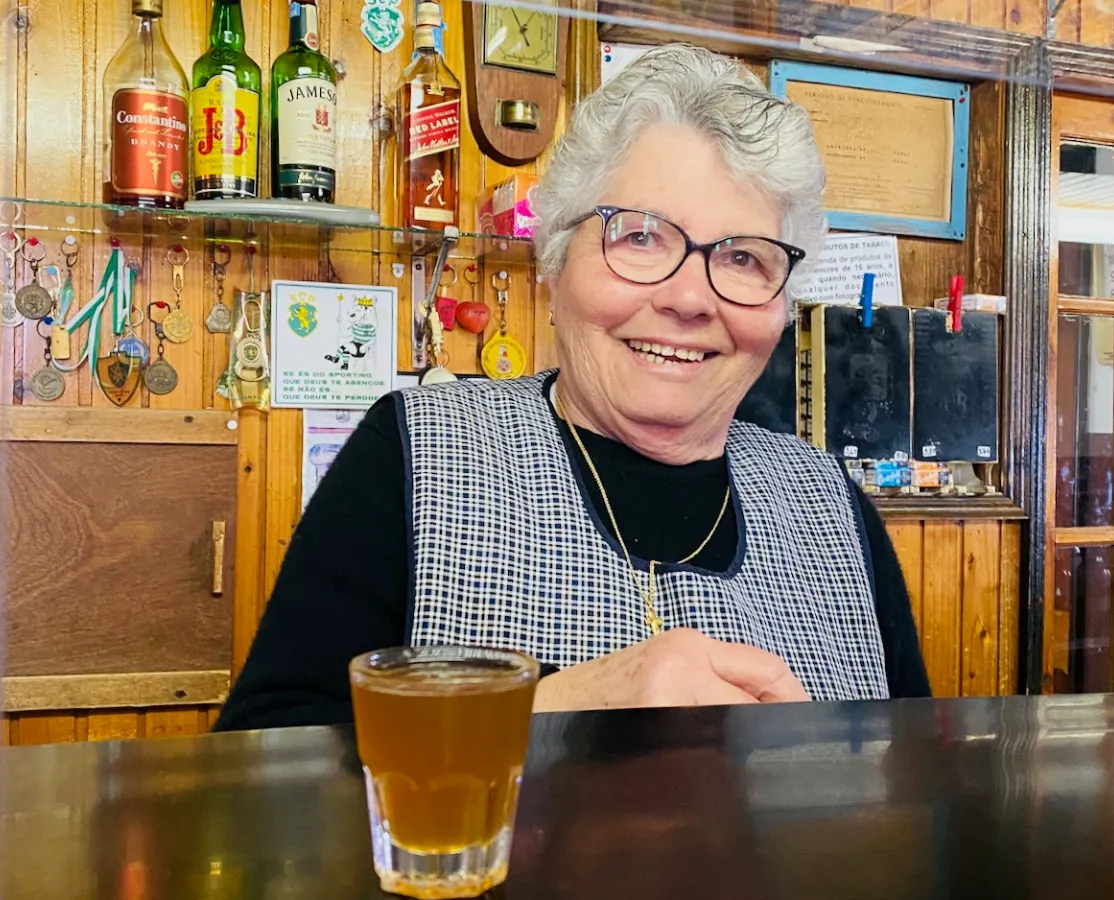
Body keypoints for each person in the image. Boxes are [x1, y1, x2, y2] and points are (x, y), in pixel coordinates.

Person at [214, 43, 928, 733]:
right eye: (642, 237)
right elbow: (262, 766)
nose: (688, 298)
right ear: (556, 260)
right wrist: (546, 711)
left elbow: (909, 799)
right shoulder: (417, 455)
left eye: (743, 256)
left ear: (780, 302)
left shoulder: (831, 509)